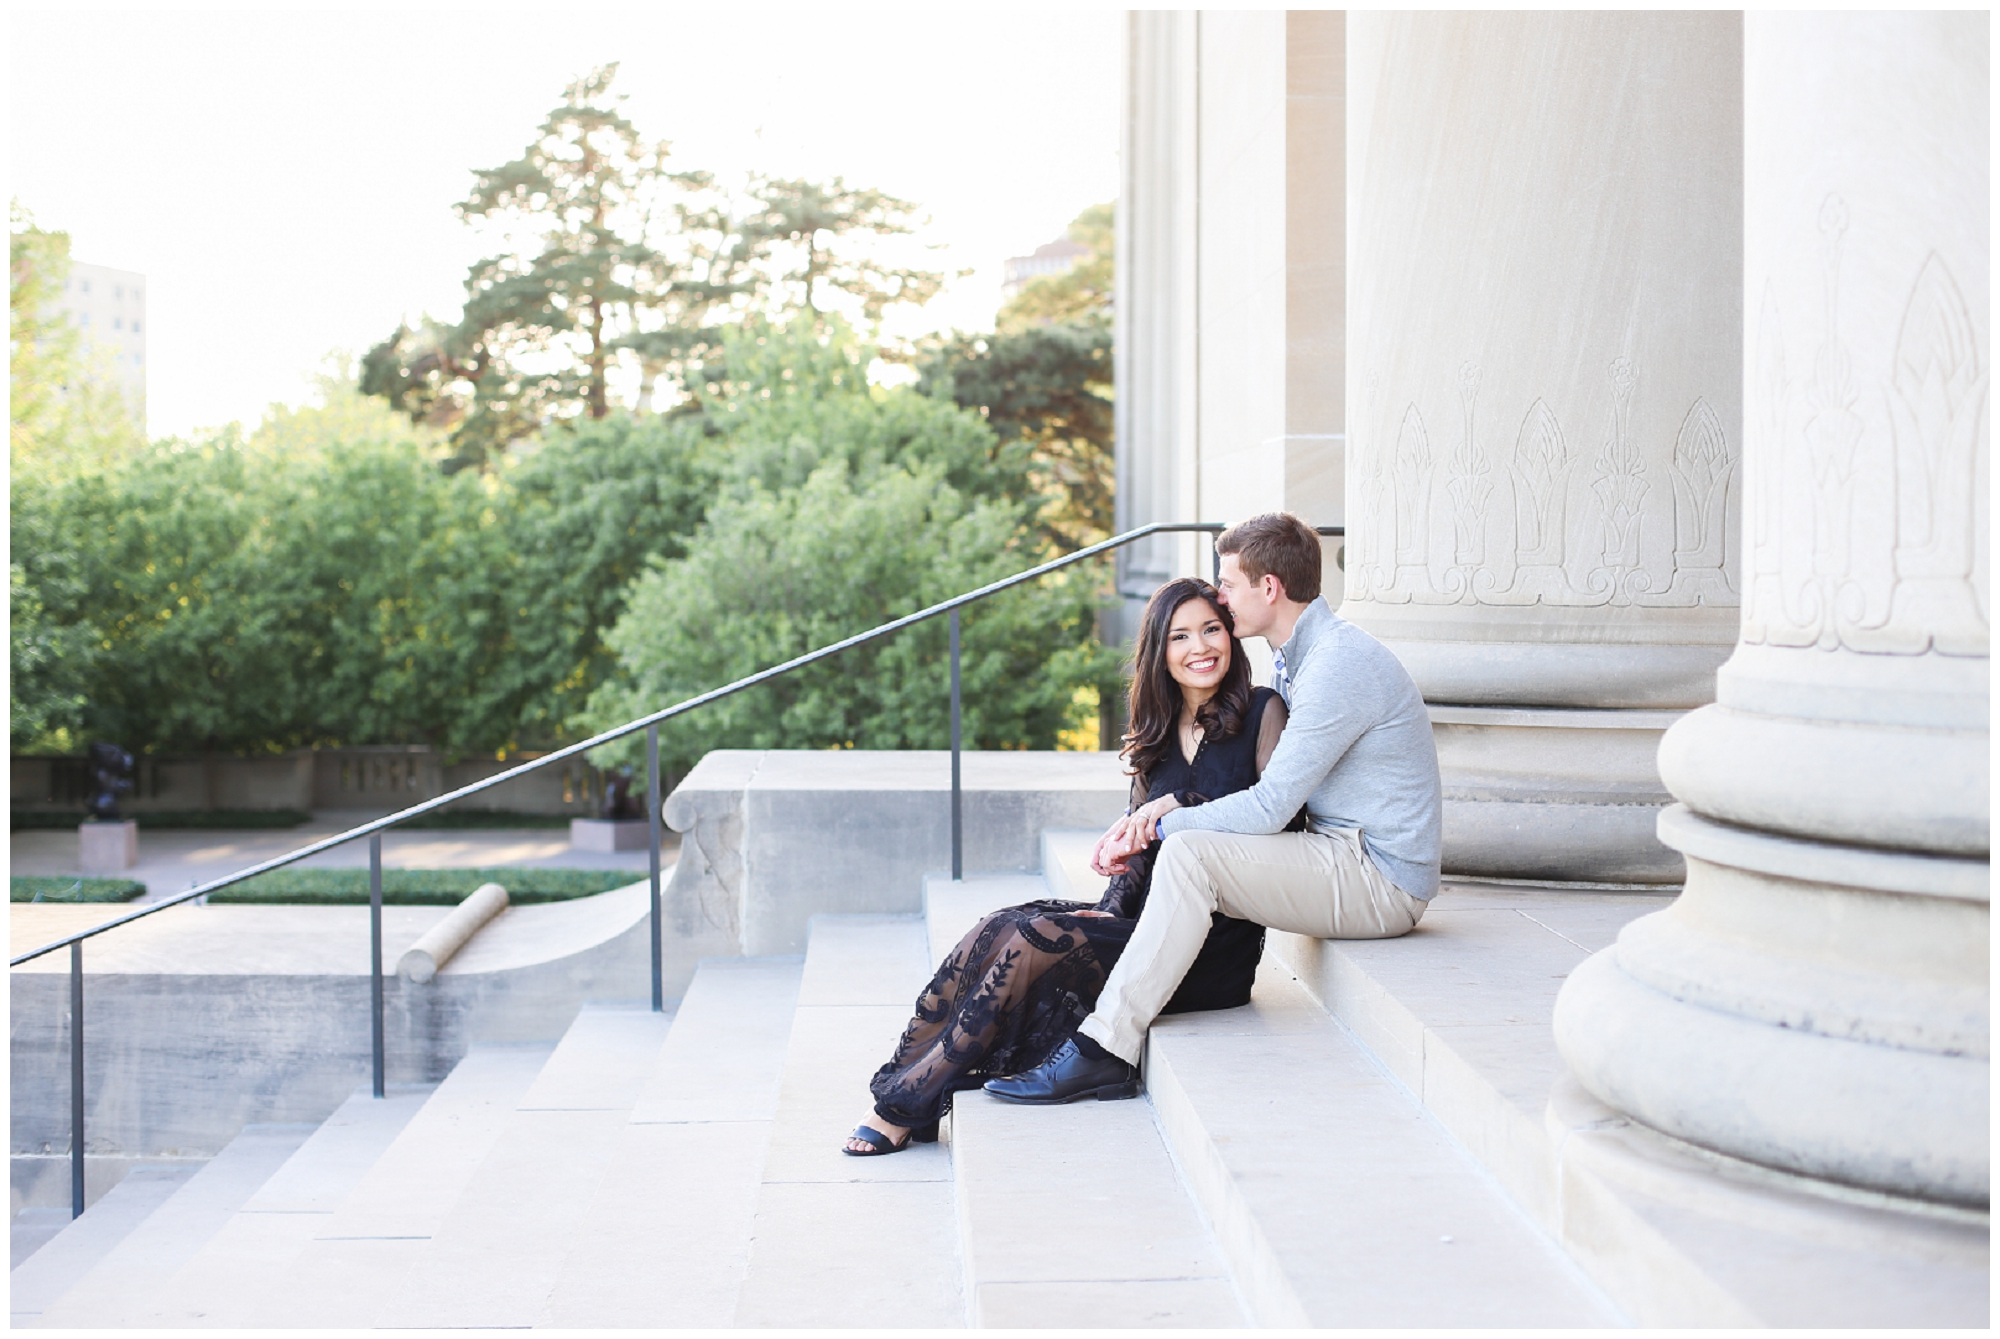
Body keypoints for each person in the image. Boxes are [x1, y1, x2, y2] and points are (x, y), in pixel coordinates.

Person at [984, 511, 1442, 1106]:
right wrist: (1165, 809)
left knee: (1191, 854)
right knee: (1186, 850)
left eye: (1228, 584)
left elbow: (1272, 805)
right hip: (1338, 852)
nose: (1221, 598)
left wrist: (1156, 823)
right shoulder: (1301, 655)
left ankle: (1104, 1051)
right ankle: (1102, 1036)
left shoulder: (1337, 664)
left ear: (1269, 588)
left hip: (1380, 878)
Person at [843, 577, 1292, 1155]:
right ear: (1160, 652)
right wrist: (1106, 902)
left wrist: (1182, 805)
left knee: (1034, 941)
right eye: (1180, 636)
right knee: (999, 926)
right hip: (1144, 922)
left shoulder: (1262, 712)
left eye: (1211, 629)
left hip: (1207, 949)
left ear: (1231, 634)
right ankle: (915, 1092)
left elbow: (1276, 824)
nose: (1200, 647)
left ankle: (902, 1107)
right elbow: (1139, 865)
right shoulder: (1155, 738)